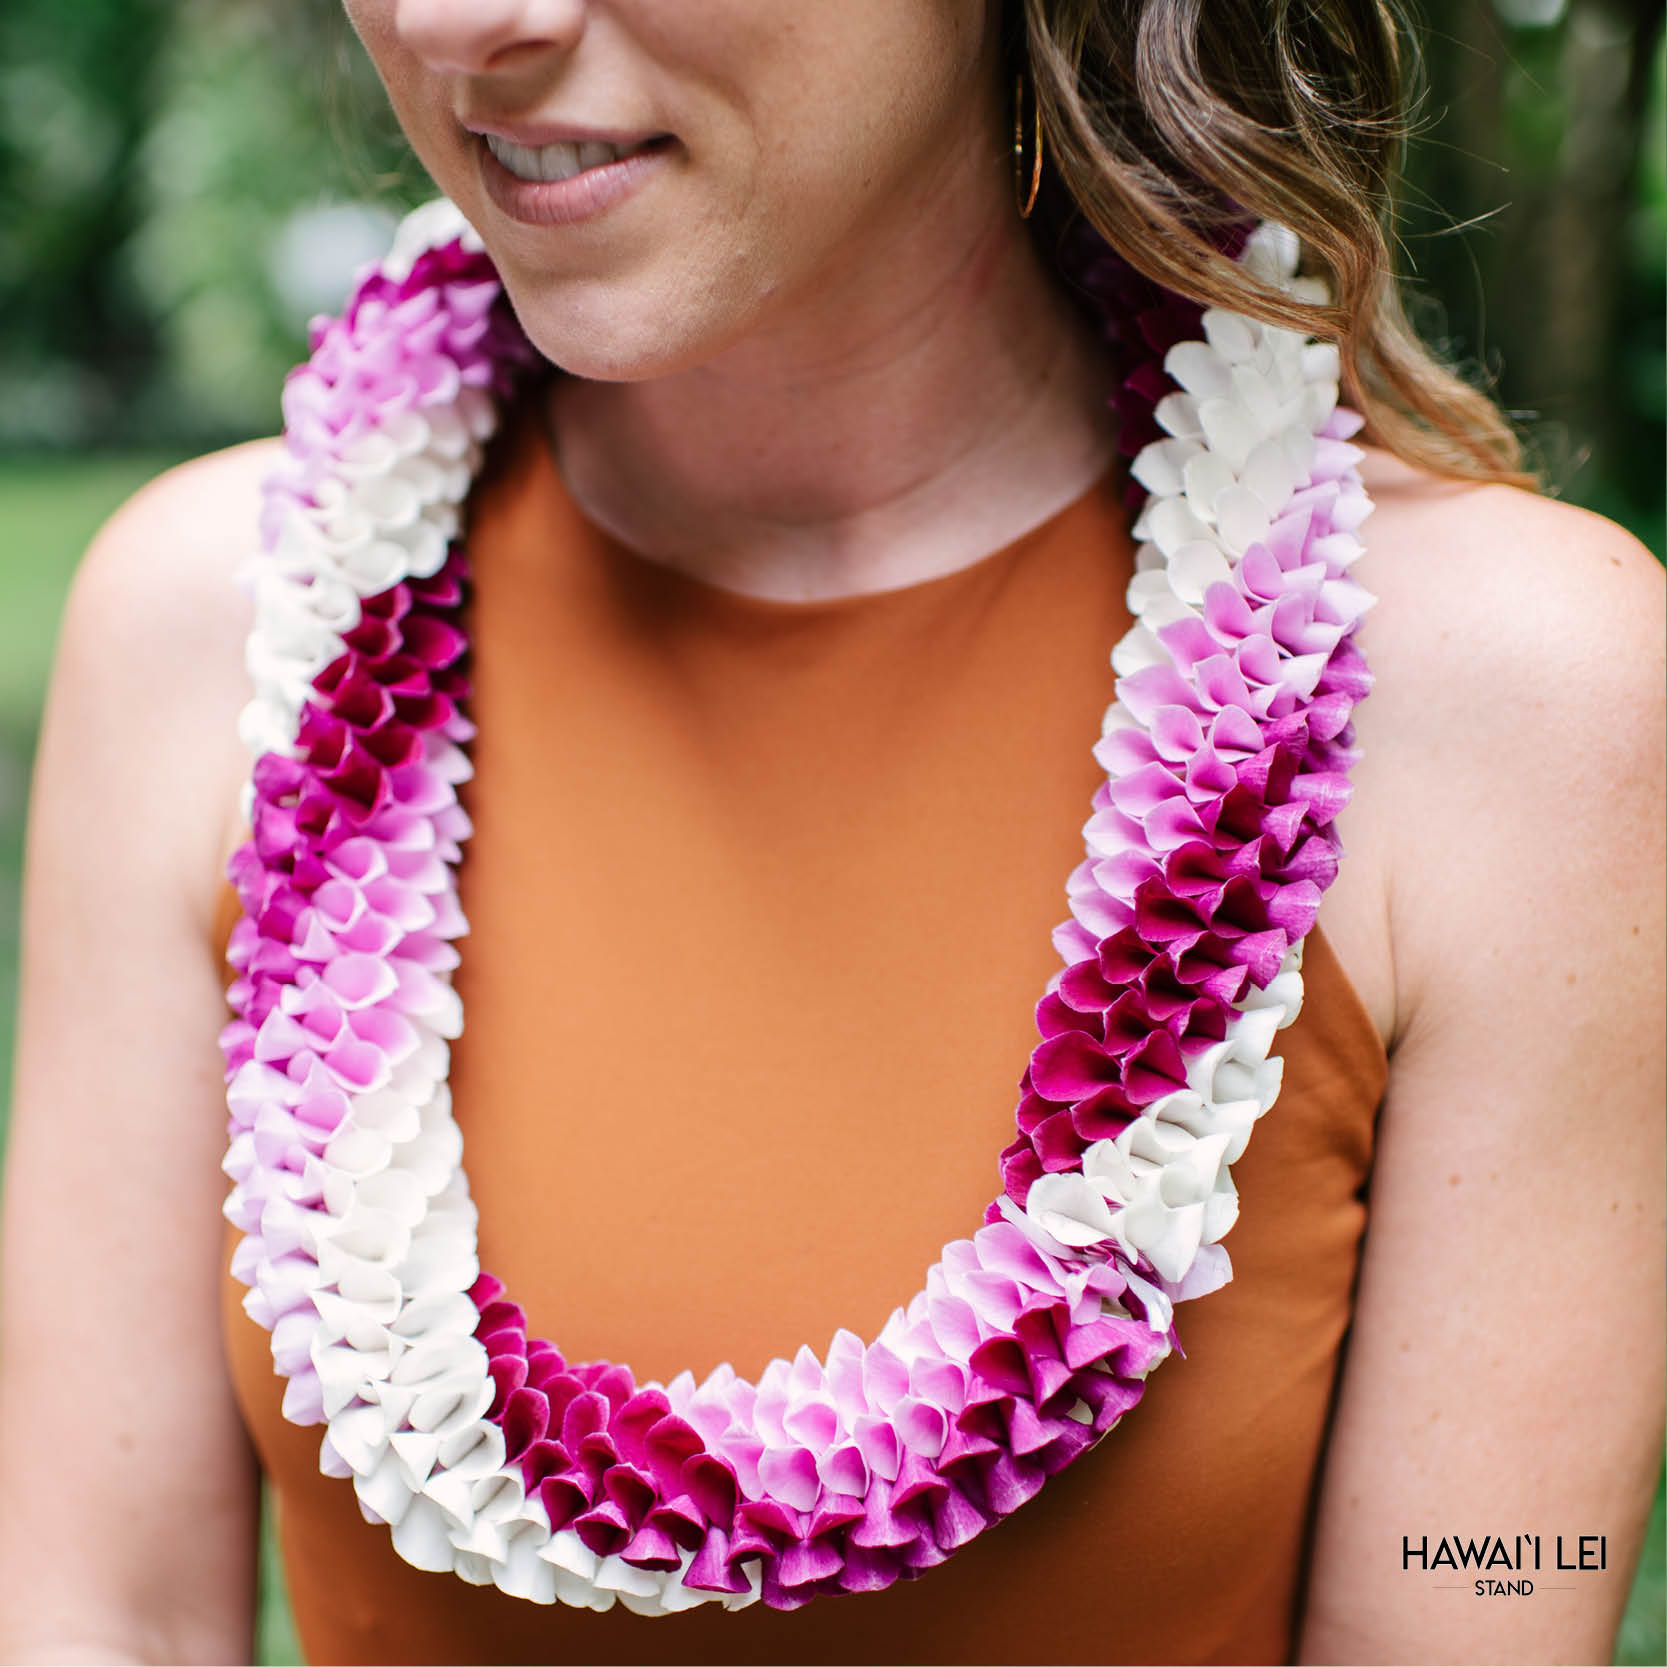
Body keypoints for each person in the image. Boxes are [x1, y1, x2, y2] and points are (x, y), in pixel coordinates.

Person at [1, 2, 1661, 1663]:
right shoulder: (209, 644)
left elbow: (1491, 1583)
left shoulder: (1514, 707)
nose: (457, 18)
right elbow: (99, 1624)